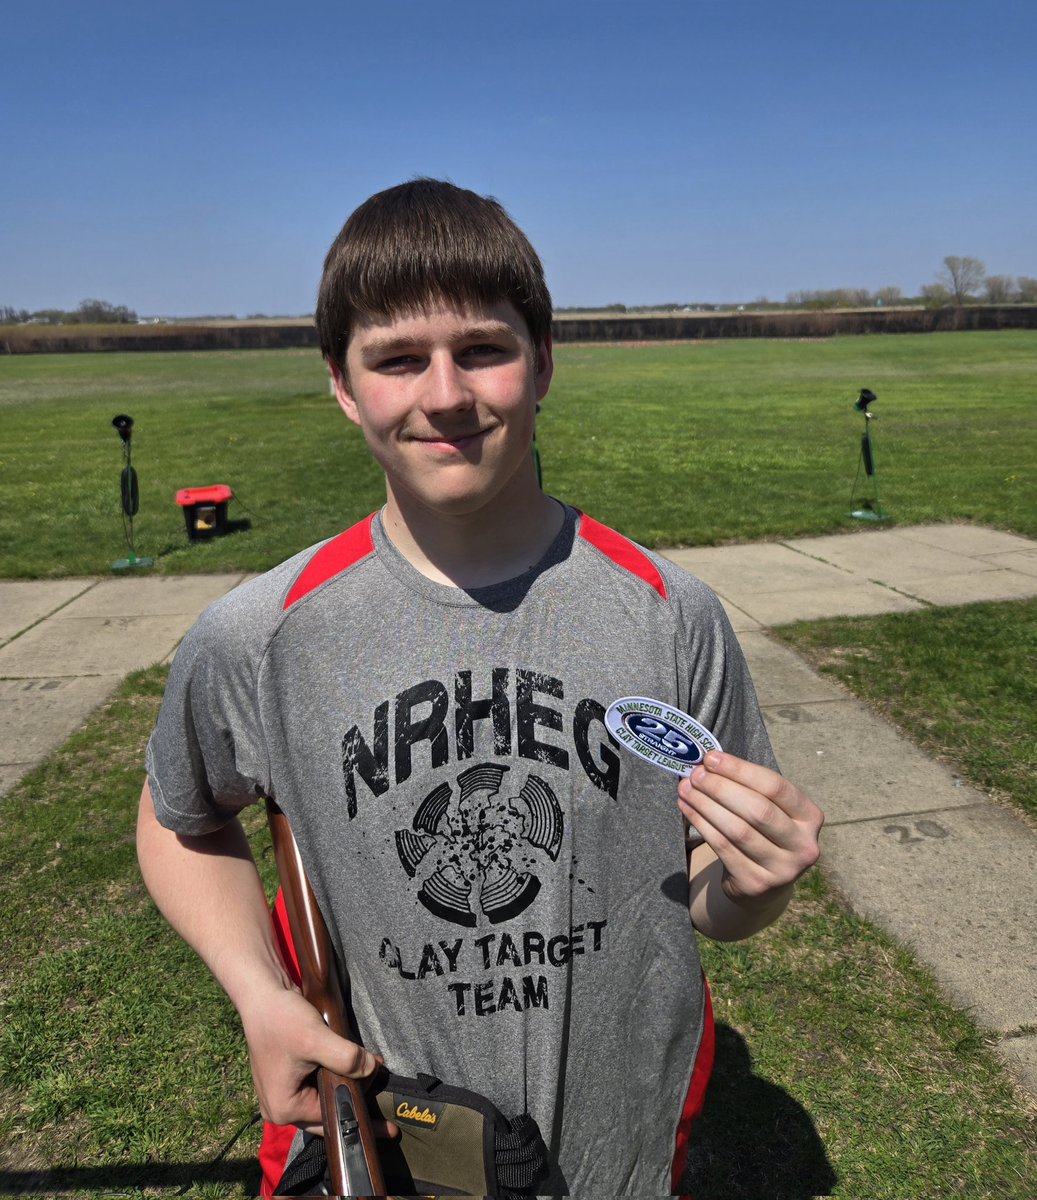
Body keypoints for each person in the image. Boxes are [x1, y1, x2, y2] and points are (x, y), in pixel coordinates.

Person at [137, 178, 823, 1196]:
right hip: (394, 1138)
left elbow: (707, 904)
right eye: (397, 359)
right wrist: (258, 991)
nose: (445, 394)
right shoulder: (262, 635)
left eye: (483, 350)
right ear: (340, 383)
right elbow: (179, 817)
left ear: (542, 363)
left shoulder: (667, 613)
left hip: (622, 1131)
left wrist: (755, 888)